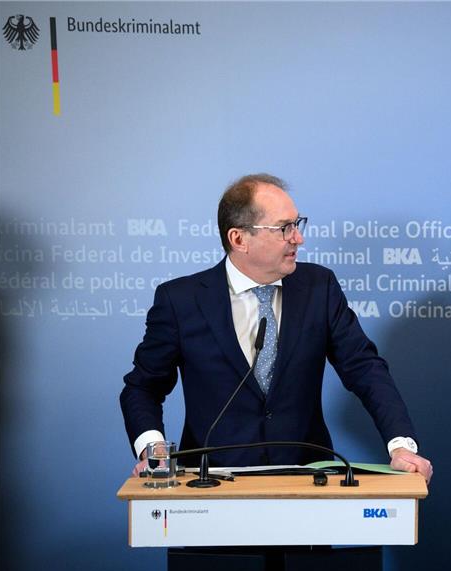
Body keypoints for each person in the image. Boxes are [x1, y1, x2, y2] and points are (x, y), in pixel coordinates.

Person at [121, 174, 432, 482]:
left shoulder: (319, 288)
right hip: (211, 480)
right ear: (239, 239)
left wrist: (400, 444)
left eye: (297, 224)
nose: (298, 238)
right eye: (284, 228)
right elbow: (143, 387)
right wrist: (153, 449)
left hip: (307, 477)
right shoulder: (181, 300)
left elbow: (364, 368)